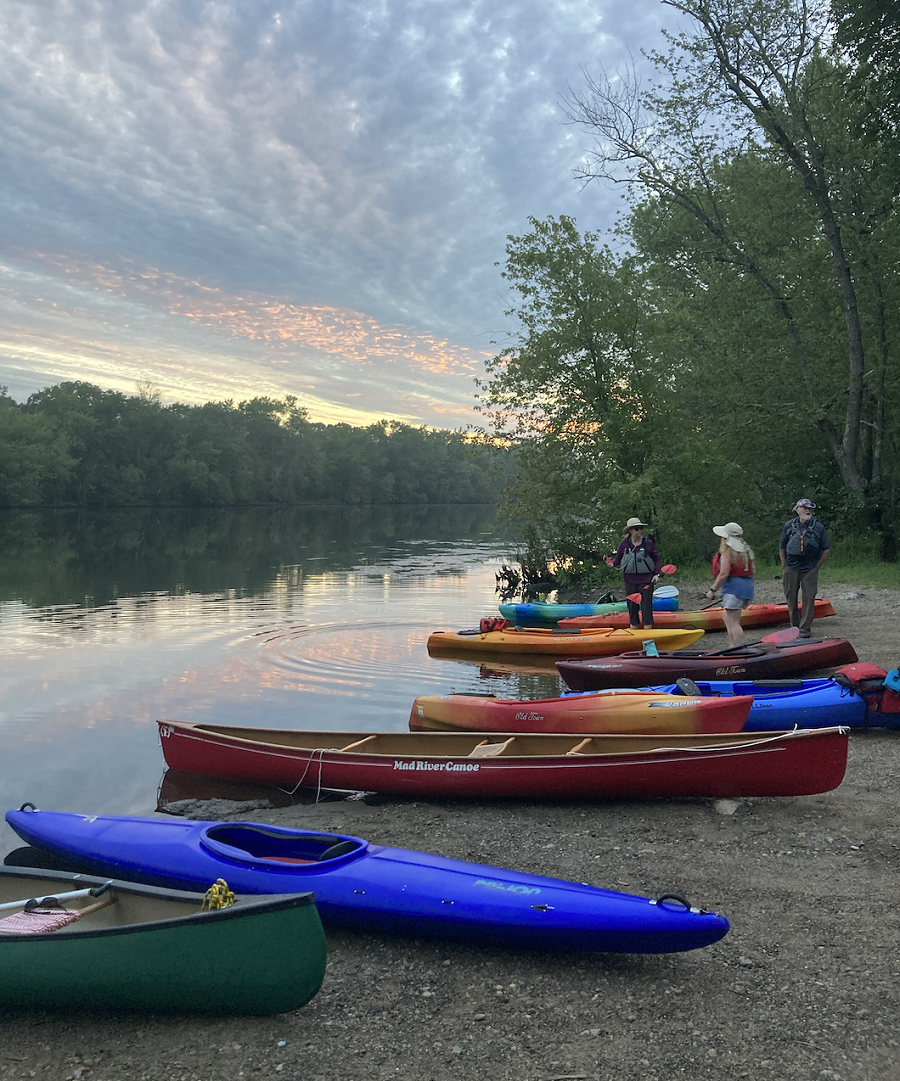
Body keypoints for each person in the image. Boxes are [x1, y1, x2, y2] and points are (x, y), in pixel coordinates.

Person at [779, 498, 831, 638]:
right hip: (791, 566)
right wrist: (785, 565)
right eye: (804, 508)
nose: (808, 511)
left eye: (810, 508)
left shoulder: (818, 527)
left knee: (809, 597)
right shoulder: (789, 526)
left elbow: (826, 549)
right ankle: (794, 626)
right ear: (797, 510)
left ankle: (805, 628)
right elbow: (782, 546)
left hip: (810, 567)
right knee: (791, 597)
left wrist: (816, 566)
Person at [705, 522, 755, 647]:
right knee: (728, 618)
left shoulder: (728, 552)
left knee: (732, 622)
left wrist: (712, 590)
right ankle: (732, 646)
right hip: (746, 586)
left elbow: (723, 574)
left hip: (733, 588)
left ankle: (738, 647)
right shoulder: (746, 551)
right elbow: (752, 572)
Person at [608, 517, 661, 629]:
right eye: (637, 529)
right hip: (630, 581)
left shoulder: (648, 543)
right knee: (632, 607)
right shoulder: (624, 544)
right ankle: (634, 631)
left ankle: (648, 633)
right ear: (630, 530)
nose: (640, 531)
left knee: (646, 607)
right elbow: (617, 561)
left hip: (647, 580)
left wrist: (657, 574)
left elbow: (656, 559)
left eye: (641, 528)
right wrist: (611, 563)